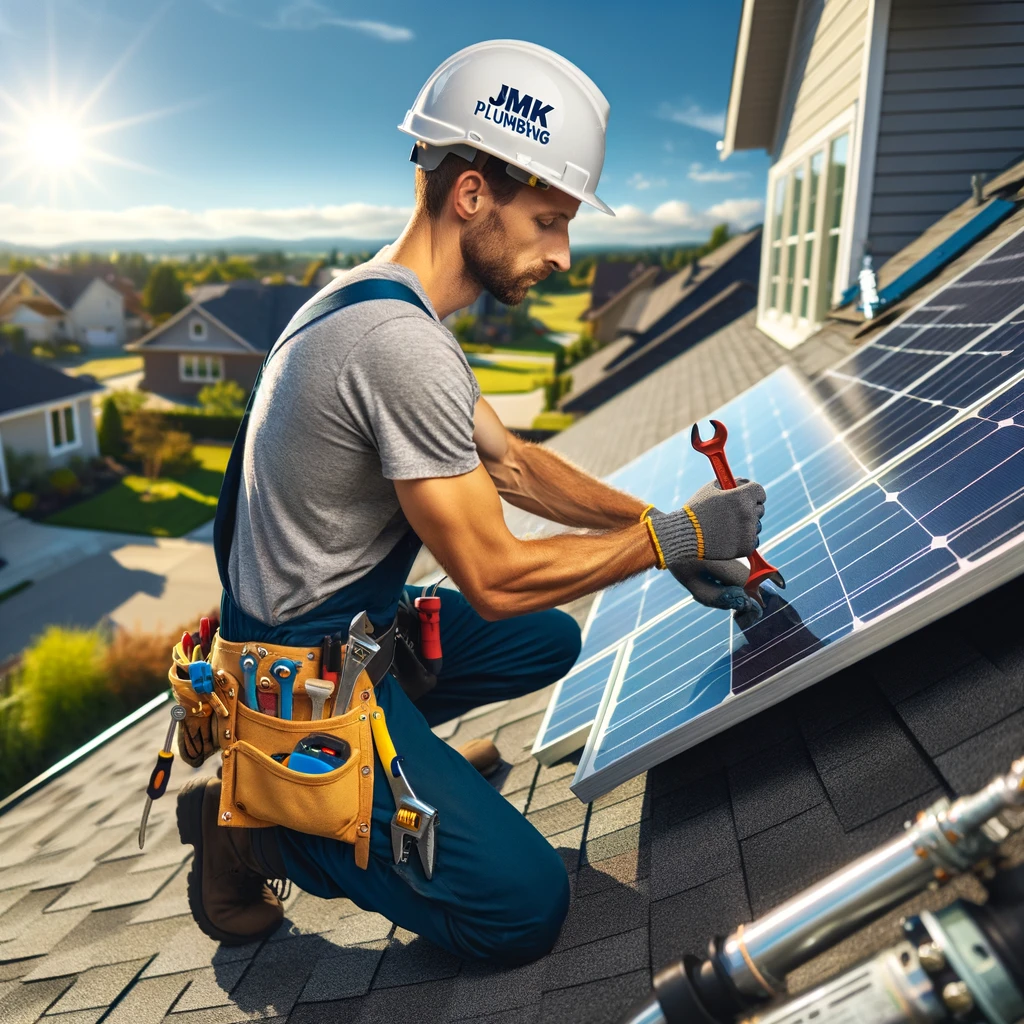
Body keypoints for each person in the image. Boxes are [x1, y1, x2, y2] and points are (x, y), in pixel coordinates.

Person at [175, 39, 771, 965]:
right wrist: (673, 538)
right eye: (549, 220)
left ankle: (415, 763)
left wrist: (663, 535)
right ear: (472, 196)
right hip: (306, 677)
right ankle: (263, 827)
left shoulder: (377, 302)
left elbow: (517, 469)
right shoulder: (397, 344)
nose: (565, 255)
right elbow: (494, 576)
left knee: (553, 638)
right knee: (522, 909)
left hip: (343, 625)